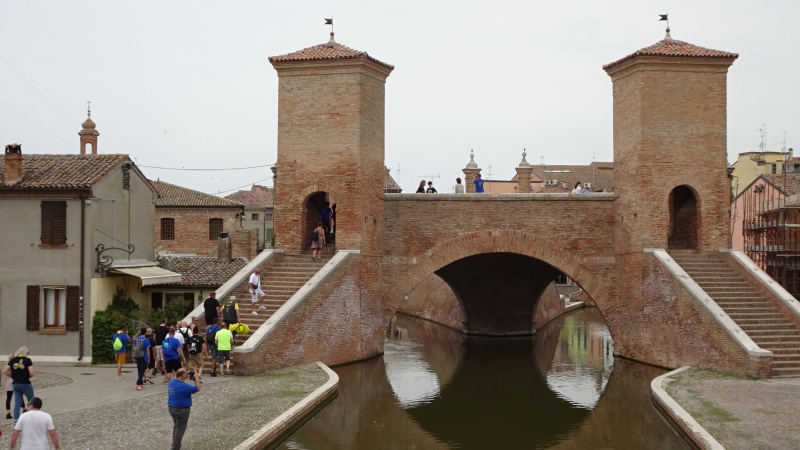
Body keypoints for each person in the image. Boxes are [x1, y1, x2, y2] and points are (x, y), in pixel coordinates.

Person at [167, 368, 200, 450]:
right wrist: (197, 378)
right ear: (182, 376)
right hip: (181, 410)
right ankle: (175, 448)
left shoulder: (172, 382)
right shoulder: (183, 386)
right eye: (185, 374)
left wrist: (185, 374)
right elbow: (197, 388)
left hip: (171, 408)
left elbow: (177, 375)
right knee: (180, 430)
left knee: (176, 427)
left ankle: (174, 445)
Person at [3, 346, 34, 422]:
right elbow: (32, 373)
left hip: (16, 384)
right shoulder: (27, 360)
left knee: (17, 403)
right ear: (25, 353)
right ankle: (31, 418)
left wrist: (13, 376)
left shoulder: (13, 360)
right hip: (25, 383)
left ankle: (16, 421)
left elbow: (5, 371)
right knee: (31, 400)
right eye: (27, 353)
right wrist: (26, 376)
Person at [4, 353, 13, 419]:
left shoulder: (7, 364)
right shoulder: (14, 364)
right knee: (19, 397)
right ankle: (24, 409)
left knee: (8, 398)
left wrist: (9, 375)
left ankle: (8, 412)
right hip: (14, 381)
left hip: (9, 382)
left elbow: (5, 371)